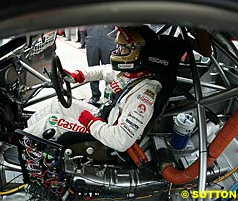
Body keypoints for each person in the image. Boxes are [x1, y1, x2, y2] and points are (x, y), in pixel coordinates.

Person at [24, 26, 211, 152]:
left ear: (137, 52)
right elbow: (104, 70)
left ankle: (26, 148)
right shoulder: (133, 73)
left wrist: (90, 123)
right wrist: (77, 75)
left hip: (106, 138)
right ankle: (26, 133)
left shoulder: (145, 94)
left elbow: (121, 141)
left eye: (122, 48)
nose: (116, 52)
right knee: (57, 105)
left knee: (51, 121)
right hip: (105, 117)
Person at [85, 25, 116, 104]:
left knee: (109, 69)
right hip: (92, 38)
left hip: (108, 39)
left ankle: (110, 94)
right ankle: (95, 95)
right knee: (92, 67)